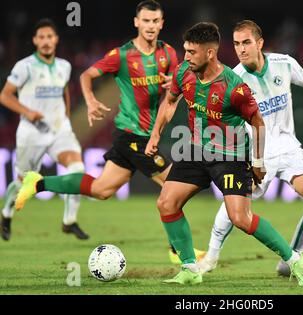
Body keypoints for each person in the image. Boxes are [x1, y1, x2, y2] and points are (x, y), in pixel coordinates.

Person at [14, 0, 204, 262]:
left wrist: (174, 83)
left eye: (155, 21)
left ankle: (37, 182)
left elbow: (176, 89)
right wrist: (91, 101)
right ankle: (179, 252)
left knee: (102, 190)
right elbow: (86, 76)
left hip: (144, 135)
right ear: (136, 22)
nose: (150, 26)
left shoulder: (169, 54)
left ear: (161, 23)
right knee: (173, 187)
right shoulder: (122, 55)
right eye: (145, 21)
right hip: (132, 135)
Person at [145, 22, 303, 286]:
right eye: (185, 51)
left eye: (192, 52)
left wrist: (257, 163)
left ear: (210, 53)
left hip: (231, 154)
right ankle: (190, 268)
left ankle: (294, 260)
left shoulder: (234, 87)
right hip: (196, 148)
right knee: (166, 203)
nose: (186, 57)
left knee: (241, 219)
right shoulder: (183, 73)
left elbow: (257, 122)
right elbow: (169, 102)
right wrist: (156, 134)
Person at [198, 20, 303, 277]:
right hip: (257, 154)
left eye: (246, 42)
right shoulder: (233, 80)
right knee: (236, 207)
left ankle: (291, 259)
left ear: (260, 43)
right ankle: (211, 256)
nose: (241, 49)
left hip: (289, 149)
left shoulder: (284, 63)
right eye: (236, 44)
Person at [0, 18, 89, 241]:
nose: (46, 41)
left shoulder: (64, 66)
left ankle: (69, 221)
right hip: (32, 133)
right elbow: (5, 95)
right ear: (35, 41)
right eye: (42, 37)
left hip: (59, 131)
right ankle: (7, 213)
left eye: (50, 37)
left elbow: (65, 91)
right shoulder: (24, 66)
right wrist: (27, 112)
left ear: (56, 39)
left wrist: (66, 117)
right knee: (22, 182)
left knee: (77, 168)